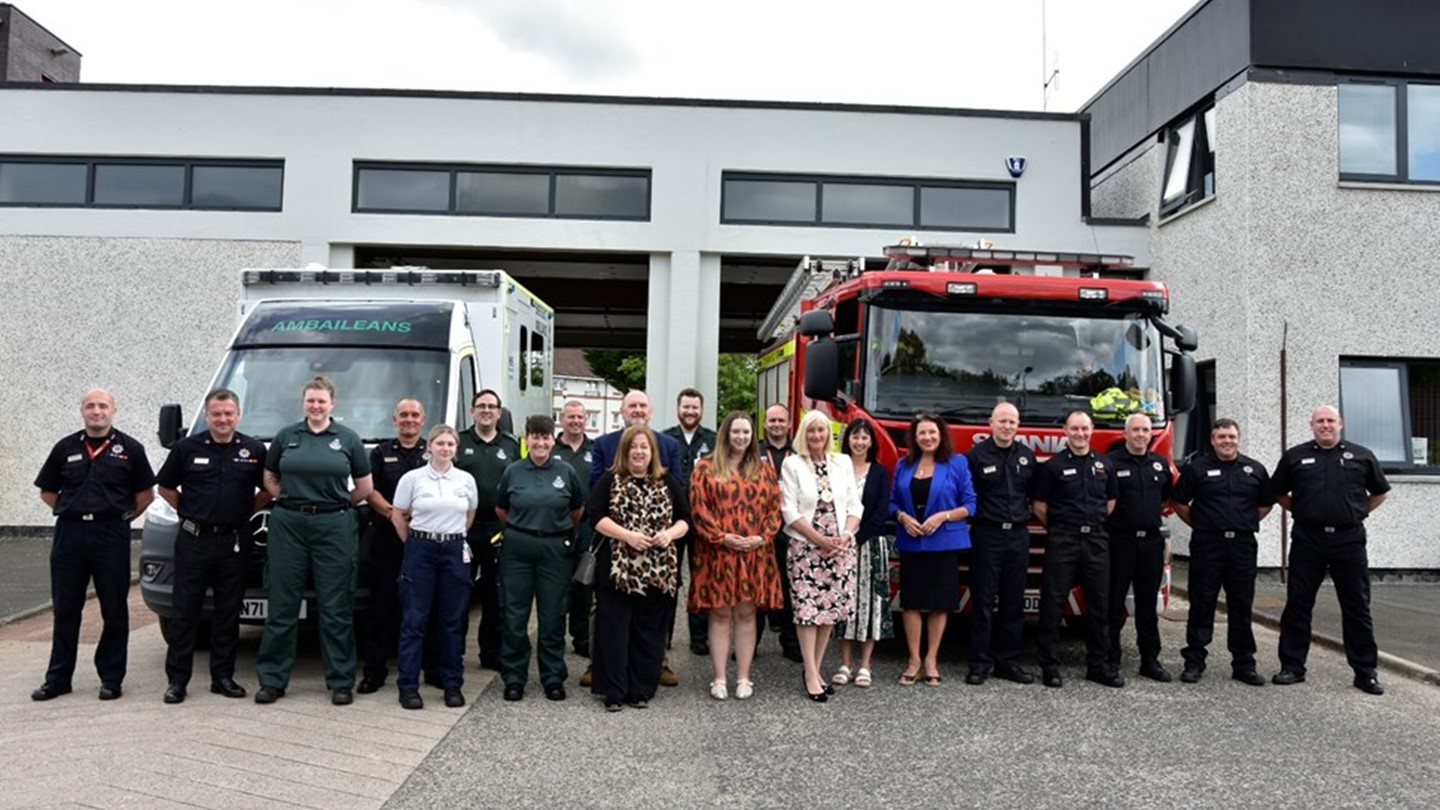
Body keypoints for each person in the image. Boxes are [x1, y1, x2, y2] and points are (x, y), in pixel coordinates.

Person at [255, 375, 373, 706]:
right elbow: (269, 476)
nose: (316, 406)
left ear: (333, 404)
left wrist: (334, 507)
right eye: (311, 400)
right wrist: (290, 500)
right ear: (303, 403)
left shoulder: (348, 439)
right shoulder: (286, 436)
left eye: (322, 401)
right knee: (282, 605)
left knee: (336, 607)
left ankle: (340, 681)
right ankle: (273, 680)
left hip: (334, 526)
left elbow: (364, 487)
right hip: (289, 524)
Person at [32, 388, 155, 702]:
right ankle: (58, 678)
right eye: (90, 406)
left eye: (102, 406)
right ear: (82, 411)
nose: (96, 411)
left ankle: (111, 679)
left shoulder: (131, 449)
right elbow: (47, 491)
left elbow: (145, 496)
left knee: (114, 609)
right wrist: (72, 507)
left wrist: (118, 518)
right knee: (65, 608)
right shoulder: (65, 448)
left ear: (114, 410)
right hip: (70, 535)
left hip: (110, 534)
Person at [155, 388, 268, 704]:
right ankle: (177, 681)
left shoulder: (254, 449)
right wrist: (189, 511)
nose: (222, 419)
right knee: (185, 612)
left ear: (238, 415)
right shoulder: (186, 448)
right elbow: (165, 486)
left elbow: (269, 488)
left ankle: (223, 678)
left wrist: (248, 511)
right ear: (207, 416)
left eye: (228, 413)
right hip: (194, 540)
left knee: (228, 613)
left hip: (234, 541)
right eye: (216, 413)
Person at [1270, 405, 1391, 695]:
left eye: (1330, 421)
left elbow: (1380, 492)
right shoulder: (1295, 457)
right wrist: (1301, 510)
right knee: (1298, 604)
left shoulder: (1362, 456)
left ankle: (1365, 672)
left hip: (1348, 541)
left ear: (1341, 424)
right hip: (1308, 540)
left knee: (1357, 607)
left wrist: (1356, 512)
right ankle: (1292, 667)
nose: (1326, 425)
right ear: (1312, 425)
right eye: (1320, 421)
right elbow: (1277, 492)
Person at [589, 425, 692, 711]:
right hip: (617, 570)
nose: (638, 451)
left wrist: (669, 534)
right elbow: (595, 516)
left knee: (647, 632)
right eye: (633, 446)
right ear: (625, 451)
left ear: (652, 452)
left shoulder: (668, 481)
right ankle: (614, 692)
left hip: (656, 570)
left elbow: (685, 519)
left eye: (644, 447)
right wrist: (627, 536)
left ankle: (640, 689)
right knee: (614, 631)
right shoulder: (610, 480)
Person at [1172, 418, 1274, 685]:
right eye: (1221, 437)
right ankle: (1194, 662)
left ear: (1238, 439)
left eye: (1231, 436)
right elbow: (1180, 502)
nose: (1226, 441)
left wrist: (1241, 523)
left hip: (1242, 545)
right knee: (1201, 603)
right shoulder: (1197, 469)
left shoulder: (1255, 469)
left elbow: (1265, 504)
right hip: (1208, 544)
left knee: (1241, 604)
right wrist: (1203, 524)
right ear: (1212, 440)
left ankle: (1244, 665)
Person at [689, 411, 783, 701]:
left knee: (746, 613)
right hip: (718, 552)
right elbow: (699, 509)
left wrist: (761, 537)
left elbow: (774, 508)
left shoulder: (764, 470)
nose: (741, 437)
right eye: (735, 432)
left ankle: (743, 677)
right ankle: (719, 678)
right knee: (719, 614)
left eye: (746, 432)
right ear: (725, 434)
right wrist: (723, 537)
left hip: (754, 553)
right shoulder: (705, 468)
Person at [495, 414, 585, 702]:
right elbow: (501, 509)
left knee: (553, 615)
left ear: (552, 439)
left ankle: (553, 677)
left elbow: (577, 511)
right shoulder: (513, 471)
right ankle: (513, 677)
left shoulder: (566, 471)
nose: (541, 442)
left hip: (555, 550)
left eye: (546, 437)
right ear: (527, 439)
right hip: (518, 549)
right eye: (535, 436)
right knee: (514, 614)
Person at [390, 425, 477, 710]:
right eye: (440, 443)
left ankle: (452, 685)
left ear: (456, 448)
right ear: (430, 446)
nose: (445, 448)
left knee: (452, 622)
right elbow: (398, 515)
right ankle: (409, 687)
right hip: (421, 550)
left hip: (453, 550)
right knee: (414, 621)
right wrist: (416, 544)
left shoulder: (465, 479)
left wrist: (450, 537)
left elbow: (469, 514)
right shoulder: (413, 478)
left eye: (450, 444)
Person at [1032, 410, 1119, 689]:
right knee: (1053, 603)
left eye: (1084, 429)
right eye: (1074, 429)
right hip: (1064, 540)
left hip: (1096, 540)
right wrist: (1061, 528)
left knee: (1099, 605)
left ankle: (1098, 666)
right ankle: (1049, 666)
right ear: (1065, 432)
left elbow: (1110, 502)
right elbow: (1040, 506)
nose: (1080, 434)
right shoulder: (1052, 467)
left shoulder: (1105, 465)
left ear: (1091, 430)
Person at [889, 413, 975, 688]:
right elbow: (891, 503)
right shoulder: (904, 464)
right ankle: (913, 660)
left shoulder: (958, 463)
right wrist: (902, 517)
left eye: (932, 433)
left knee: (940, 603)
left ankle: (931, 660)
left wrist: (942, 517)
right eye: (922, 433)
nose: (927, 437)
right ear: (914, 437)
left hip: (944, 544)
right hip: (912, 542)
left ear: (941, 436)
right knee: (911, 602)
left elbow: (971, 505)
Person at [782, 410, 862, 703]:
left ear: (830, 434)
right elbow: (789, 511)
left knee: (829, 610)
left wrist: (846, 536)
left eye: (822, 430)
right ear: (804, 433)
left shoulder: (841, 463)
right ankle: (810, 673)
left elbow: (855, 505)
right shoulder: (792, 464)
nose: (818, 436)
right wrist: (818, 539)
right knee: (807, 612)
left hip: (839, 547)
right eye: (812, 431)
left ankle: (815, 670)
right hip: (806, 546)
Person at [359, 398, 429, 695]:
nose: (409, 420)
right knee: (382, 607)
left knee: (422, 607)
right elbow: (369, 490)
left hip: (424, 540)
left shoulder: (434, 450)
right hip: (387, 539)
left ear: (423, 420)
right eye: (404, 415)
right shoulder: (380, 452)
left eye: (414, 415)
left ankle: (425, 668)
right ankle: (374, 672)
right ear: (394, 419)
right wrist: (393, 514)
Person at [963, 402, 1036, 685]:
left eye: (1012, 422)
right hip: (987, 534)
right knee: (982, 600)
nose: (1007, 427)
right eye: (1002, 421)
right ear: (991, 423)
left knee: (1013, 601)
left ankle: (1008, 662)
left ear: (1018, 426)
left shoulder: (1027, 457)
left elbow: (1032, 496)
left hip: (1018, 535)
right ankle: (979, 663)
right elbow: (967, 497)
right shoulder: (974, 457)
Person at [1104, 413, 1175, 682]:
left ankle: (1150, 661)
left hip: (1151, 543)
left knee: (1147, 606)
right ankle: (1110, 660)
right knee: (1113, 604)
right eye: (1135, 430)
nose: (1141, 434)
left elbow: (1166, 496)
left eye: (1145, 430)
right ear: (1126, 433)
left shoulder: (1159, 464)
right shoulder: (1110, 463)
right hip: (1119, 541)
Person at [455, 389, 521, 672]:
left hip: (497, 530)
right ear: (472, 411)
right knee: (458, 593)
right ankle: (453, 653)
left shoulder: (512, 445)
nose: (486, 410)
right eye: (481, 406)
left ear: (499, 412)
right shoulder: (459, 441)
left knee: (496, 596)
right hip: (463, 529)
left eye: (491, 407)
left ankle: (491, 654)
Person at [833, 418, 893, 689]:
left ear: (871, 442)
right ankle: (845, 663)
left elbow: (880, 513)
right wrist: (841, 539)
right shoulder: (836, 469)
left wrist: (854, 538)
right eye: (855, 437)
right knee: (845, 604)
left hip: (870, 546)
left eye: (864, 437)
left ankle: (865, 665)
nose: (859, 442)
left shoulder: (879, 472)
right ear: (847, 440)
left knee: (871, 606)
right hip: (839, 546)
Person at [661, 387, 717, 657]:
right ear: (678, 409)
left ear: (701, 410)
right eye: (686, 407)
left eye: (695, 407)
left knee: (700, 578)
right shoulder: (663, 438)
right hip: (671, 521)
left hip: (702, 521)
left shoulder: (714, 440)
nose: (690, 412)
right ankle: (664, 635)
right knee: (669, 579)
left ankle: (699, 638)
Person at [758, 403, 802, 662]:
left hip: (790, 529)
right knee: (757, 587)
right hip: (760, 529)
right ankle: (750, 642)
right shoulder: (753, 452)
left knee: (789, 588)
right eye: (771, 421)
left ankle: (791, 641)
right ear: (765, 424)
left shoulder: (798, 454)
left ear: (788, 424)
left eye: (780, 421)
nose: (776, 425)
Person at [552, 400, 596, 661]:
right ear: (562, 419)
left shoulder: (596, 449)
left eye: (580, 417)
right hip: (557, 527)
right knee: (558, 584)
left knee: (583, 583)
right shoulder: (551, 448)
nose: (576, 421)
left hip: (587, 527)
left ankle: (582, 638)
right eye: (571, 417)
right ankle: (555, 636)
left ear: (586, 419)